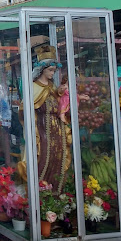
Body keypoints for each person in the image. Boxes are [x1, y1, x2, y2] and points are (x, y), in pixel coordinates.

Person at [31, 55, 71, 193]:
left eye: (54, 70)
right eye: (50, 70)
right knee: (44, 155)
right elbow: (25, 108)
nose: (52, 73)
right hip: (42, 126)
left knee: (58, 156)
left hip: (57, 126)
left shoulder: (52, 86)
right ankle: (40, 188)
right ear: (42, 70)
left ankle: (56, 189)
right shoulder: (34, 86)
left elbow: (61, 102)